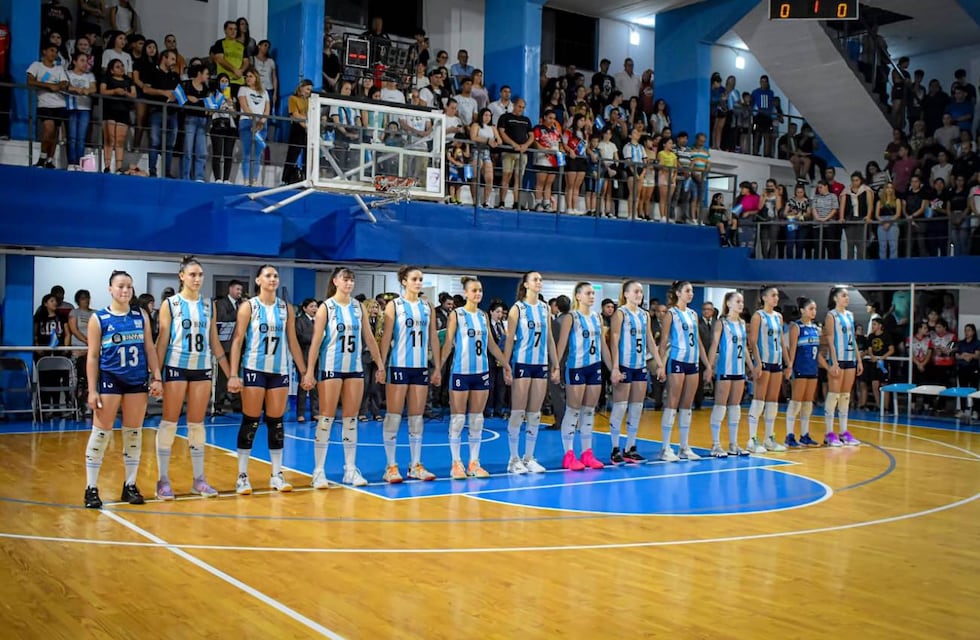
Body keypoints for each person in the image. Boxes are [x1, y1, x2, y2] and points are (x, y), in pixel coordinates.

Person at [83, 270, 164, 508]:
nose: (125, 290)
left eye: (129, 286)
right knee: (100, 433)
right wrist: (91, 389)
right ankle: (91, 487)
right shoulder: (98, 319)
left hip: (136, 381)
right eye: (120, 286)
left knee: (133, 433)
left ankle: (130, 485)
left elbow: (149, 349)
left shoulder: (141, 316)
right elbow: (92, 356)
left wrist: (156, 377)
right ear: (110, 289)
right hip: (110, 380)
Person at [153, 256, 230, 500]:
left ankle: (199, 480)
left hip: (202, 369)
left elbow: (214, 342)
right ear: (182, 276)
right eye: (193, 274)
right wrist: (155, 375)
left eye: (200, 275)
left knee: (197, 424)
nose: (197, 279)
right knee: (169, 423)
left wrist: (232, 374)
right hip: (176, 366)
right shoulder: (171, 304)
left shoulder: (209, 305)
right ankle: (163, 480)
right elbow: (162, 341)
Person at [227, 265, 307, 494]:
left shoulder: (286, 308)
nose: (273, 279)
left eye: (275, 276)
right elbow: (237, 340)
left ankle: (277, 474)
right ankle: (242, 475)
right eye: (268, 275)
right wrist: (233, 374)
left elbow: (292, 341)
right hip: (254, 369)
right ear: (259, 280)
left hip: (279, 370)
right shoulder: (248, 306)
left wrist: (304, 371)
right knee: (250, 420)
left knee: (276, 422)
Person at [302, 268, 384, 488]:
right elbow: (316, 342)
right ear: (336, 281)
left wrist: (380, 364)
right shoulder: (326, 308)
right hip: (331, 368)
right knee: (326, 419)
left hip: (354, 368)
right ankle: (318, 471)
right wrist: (309, 371)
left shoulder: (358, 308)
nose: (349, 283)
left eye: (352, 280)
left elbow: (369, 337)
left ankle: (350, 468)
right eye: (345, 279)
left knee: (351, 419)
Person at [438, 276, 511, 479]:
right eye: (474, 290)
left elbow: (491, 345)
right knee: (458, 419)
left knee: (477, 420)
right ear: (466, 293)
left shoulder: (483, 316)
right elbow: (448, 344)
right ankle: (456, 463)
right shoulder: (457, 315)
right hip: (461, 372)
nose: (478, 293)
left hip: (481, 372)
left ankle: (474, 462)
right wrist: (438, 368)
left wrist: (506, 364)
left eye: (480, 290)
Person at [377, 267, 442, 483]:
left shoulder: (427, 306)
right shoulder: (394, 306)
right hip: (398, 366)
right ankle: (390, 466)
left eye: (421, 279)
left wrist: (438, 366)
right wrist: (381, 364)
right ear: (404, 281)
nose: (418, 282)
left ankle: (415, 464)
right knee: (394, 417)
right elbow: (386, 337)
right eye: (414, 279)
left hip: (420, 367)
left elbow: (433, 337)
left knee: (416, 418)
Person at [502, 272, 561, 473]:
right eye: (535, 279)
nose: (539, 282)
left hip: (540, 364)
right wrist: (506, 366)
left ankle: (529, 457)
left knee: (534, 414)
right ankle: (513, 459)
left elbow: (550, 338)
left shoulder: (545, 308)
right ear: (526, 284)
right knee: (518, 412)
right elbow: (509, 339)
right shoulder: (517, 309)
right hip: (522, 363)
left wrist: (556, 364)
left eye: (541, 279)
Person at [555, 282, 618, 469]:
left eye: (593, 293)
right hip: (576, 368)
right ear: (578, 296)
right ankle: (568, 454)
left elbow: (603, 346)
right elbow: (562, 345)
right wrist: (556, 367)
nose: (592, 296)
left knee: (589, 411)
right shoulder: (571, 318)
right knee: (573, 410)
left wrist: (612, 367)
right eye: (588, 293)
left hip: (594, 368)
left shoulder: (597, 317)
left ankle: (587, 453)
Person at [609, 280, 666, 463]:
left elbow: (650, 339)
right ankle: (615, 448)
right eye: (635, 291)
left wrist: (659, 363)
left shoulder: (644, 315)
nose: (639, 295)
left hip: (640, 366)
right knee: (620, 407)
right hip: (625, 365)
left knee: (636, 408)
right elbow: (614, 341)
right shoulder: (620, 313)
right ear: (626, 294)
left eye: (641, 292)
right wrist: (615, 367)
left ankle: (630, 447)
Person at [658, 280, 712, 461]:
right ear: (678, 293)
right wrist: (660, 365)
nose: (691, 294)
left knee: (687, 405)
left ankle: (684, 446)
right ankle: (665, 447)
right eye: (688, 291)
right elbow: (664, 341)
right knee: (672, 402)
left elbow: (698, 342)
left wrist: (708, 365)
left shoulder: (693, 314)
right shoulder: (671, 314)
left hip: (692, 362)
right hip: (677, 361)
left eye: (692, 291)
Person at [745, 286, 790, 453]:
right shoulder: (758, 316)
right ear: (764, 298)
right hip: (764, 362)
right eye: (773, 295)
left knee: (773, 401)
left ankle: (769, 438)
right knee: (759, 399)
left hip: (777, 362)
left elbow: (782, 343)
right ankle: (752, 439)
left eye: (777, 295)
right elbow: (753, 341)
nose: (776, 298)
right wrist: (757, 363)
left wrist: (788, 363)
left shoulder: (779, 317)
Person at [708, 291, 749, 457]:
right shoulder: (721, 323)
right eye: (737, 301)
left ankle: (734, 444)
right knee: (720, 406)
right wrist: (709, 367)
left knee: (735, 407)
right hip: (725, 369)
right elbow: (714, 345)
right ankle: (716, 445)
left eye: (742, 301)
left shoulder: (742, 323)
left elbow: (744, 348)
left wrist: (752, 366)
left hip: (739, 370)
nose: (741, 304)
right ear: (729, 303)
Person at [823, 286, 863, 446]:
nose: (847, 298)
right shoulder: (831, 316)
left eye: (847, 296)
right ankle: (829, 433)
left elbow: (853, 339)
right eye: (844, 296)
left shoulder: (850, 315)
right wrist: (834, 362)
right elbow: (830, 340)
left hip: (850, 358)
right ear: (835, 298)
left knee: (846, 396)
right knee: (834, 395)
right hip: (837, 359)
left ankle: (844, 431)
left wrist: (859, 360)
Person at [784, 297, 822, 448]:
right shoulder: (796, 327)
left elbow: (817, 352)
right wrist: (789, 366)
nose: (814, 312)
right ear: (802, 310)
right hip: (800, 368)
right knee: (796, 402)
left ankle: (805, 435)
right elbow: (792, 349)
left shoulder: (815, 328)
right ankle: (789, 435)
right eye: (811, 309)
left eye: (815, 309)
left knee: (807, 403)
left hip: (812, 368)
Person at [27, 43, 69, 169]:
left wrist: (58, 86)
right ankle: (42, 157)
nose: (54, 54)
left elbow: (64, 82)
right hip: (45, 103)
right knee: (48, 129)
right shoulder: (36, 65)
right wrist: (48, 86)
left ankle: (50, 160)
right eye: (51, 50)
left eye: (56, 51)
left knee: (55, 133)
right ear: (44, 51)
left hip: (59, 103)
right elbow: (30, 81)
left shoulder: (59, 68)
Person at [213, 280, 243, 412]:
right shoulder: (221, 304)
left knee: (236, 374)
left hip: (238, 345)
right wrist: (240, 312)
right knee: (222, 377)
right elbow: (223, 319)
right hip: (224, 345)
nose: (239, 292)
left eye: (240, 290)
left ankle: (236, 403)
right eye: (237, 289)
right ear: (230, 289)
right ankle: (218, 404)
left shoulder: (241, 304)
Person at [237, 70, 269, 186]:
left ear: (256, 77)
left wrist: (261, 122)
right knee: (247, 152)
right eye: (246, 77)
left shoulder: (264, 92)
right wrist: (254, 120)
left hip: (261, 124)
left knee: (257, 154)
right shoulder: (243, 90)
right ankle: (246, 179)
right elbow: (245, 107)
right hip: (247, 122)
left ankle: (254, 179)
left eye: (250, 76)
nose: (248, 78)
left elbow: (267, 109)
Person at [294, 298, 319, 423]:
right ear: (304, 308)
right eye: (311, 306)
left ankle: (315, 412)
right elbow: (300, 337)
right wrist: (316, 339)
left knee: (316, 386)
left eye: (315, 306)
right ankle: (300, 413)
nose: (314, 309)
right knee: (303, 385)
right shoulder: (299, 321)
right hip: (304, 356)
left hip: (318, 357)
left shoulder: (319, 321)